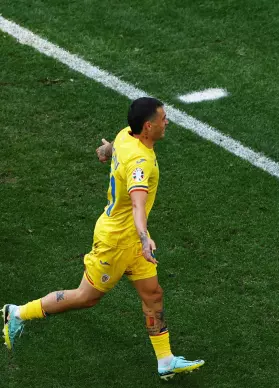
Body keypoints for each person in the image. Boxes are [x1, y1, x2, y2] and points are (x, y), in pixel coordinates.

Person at [3, 97, 205, 380]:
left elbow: (115, 144)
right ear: (148, 126)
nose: (167, 122)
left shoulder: (127, 135)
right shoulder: (140, 162)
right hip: (118, 240)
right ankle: (18, 313)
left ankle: (166, 360)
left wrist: (106, 150)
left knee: (153, 294)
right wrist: (144, 237)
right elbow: (137, 203)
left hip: (130, 239)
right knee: (86, 297)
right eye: (163, 118)